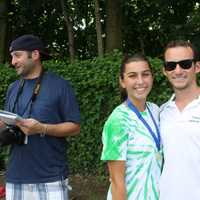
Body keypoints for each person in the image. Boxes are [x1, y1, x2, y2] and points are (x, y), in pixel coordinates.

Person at [2, 34, 80, 200]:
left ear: (35, 55)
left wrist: (42, 128)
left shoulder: (60, 85)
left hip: (50, 178)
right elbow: (8, 123)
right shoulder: (12, 88)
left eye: (17, 55)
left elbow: (75, 127)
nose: (13, 62)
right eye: (12, 57)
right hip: (16, 177)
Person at [101, 54, 162, 200]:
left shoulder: (155, 110)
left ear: (152, 77)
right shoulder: (118, 121)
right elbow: (116, 182)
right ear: (122, 81)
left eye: (145, 74)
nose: (140, 81)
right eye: (132, 76)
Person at [159, 40, 200, 200]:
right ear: (165, 71)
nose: (178, 70)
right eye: (171, 66)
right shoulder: (161, 112)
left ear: (197, 67)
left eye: (185, 64)